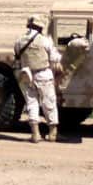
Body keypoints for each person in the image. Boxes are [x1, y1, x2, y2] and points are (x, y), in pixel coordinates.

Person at [14, 14, 63, 143]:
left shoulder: (19, 41)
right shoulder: (45, 40)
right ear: (40, 27)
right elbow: (54, 58)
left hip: (27, 75)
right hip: (43, 75)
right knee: (49, 104)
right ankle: (53, 133)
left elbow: (17, 59)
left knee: (31, 104)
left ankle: (35, 134)